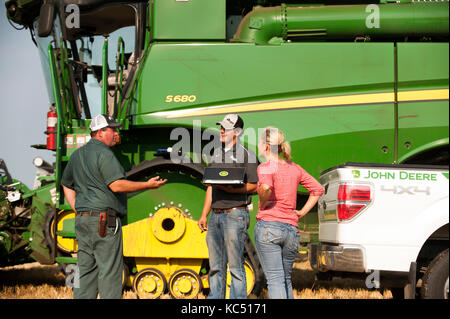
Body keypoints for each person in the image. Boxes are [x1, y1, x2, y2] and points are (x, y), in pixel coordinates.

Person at [61, 114, 167, 299]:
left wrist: (77, 208)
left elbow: (66, 184)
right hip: (104, 222)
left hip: (83, 221)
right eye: (113, 129)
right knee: (110, 273)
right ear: (101, 132)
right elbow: (117, 185)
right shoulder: (105, 154)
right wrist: (147, 185)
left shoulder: (77, 154)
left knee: (84, 272)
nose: (116, 133)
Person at [255, 127, 324, 299]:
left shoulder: (265, 167)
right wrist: (301, 212)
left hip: (269, 227)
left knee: (275, 281)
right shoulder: (295, 168)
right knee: (285, 279)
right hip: (292, 231)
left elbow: (266, 187)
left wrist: (263, 203)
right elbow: (318, 189)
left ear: (266, 146)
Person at [198, 114, 258, 299]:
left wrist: (232, 191)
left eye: (226, 128)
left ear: (238, 132)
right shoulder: (216, 154)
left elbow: (255, 186)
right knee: (215, 266)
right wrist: (204, 215)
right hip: (215, 215)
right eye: (221, 127)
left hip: (235, 214)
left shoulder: (247, 155)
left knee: (235, 266)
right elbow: (210, 186)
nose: (222, 130)